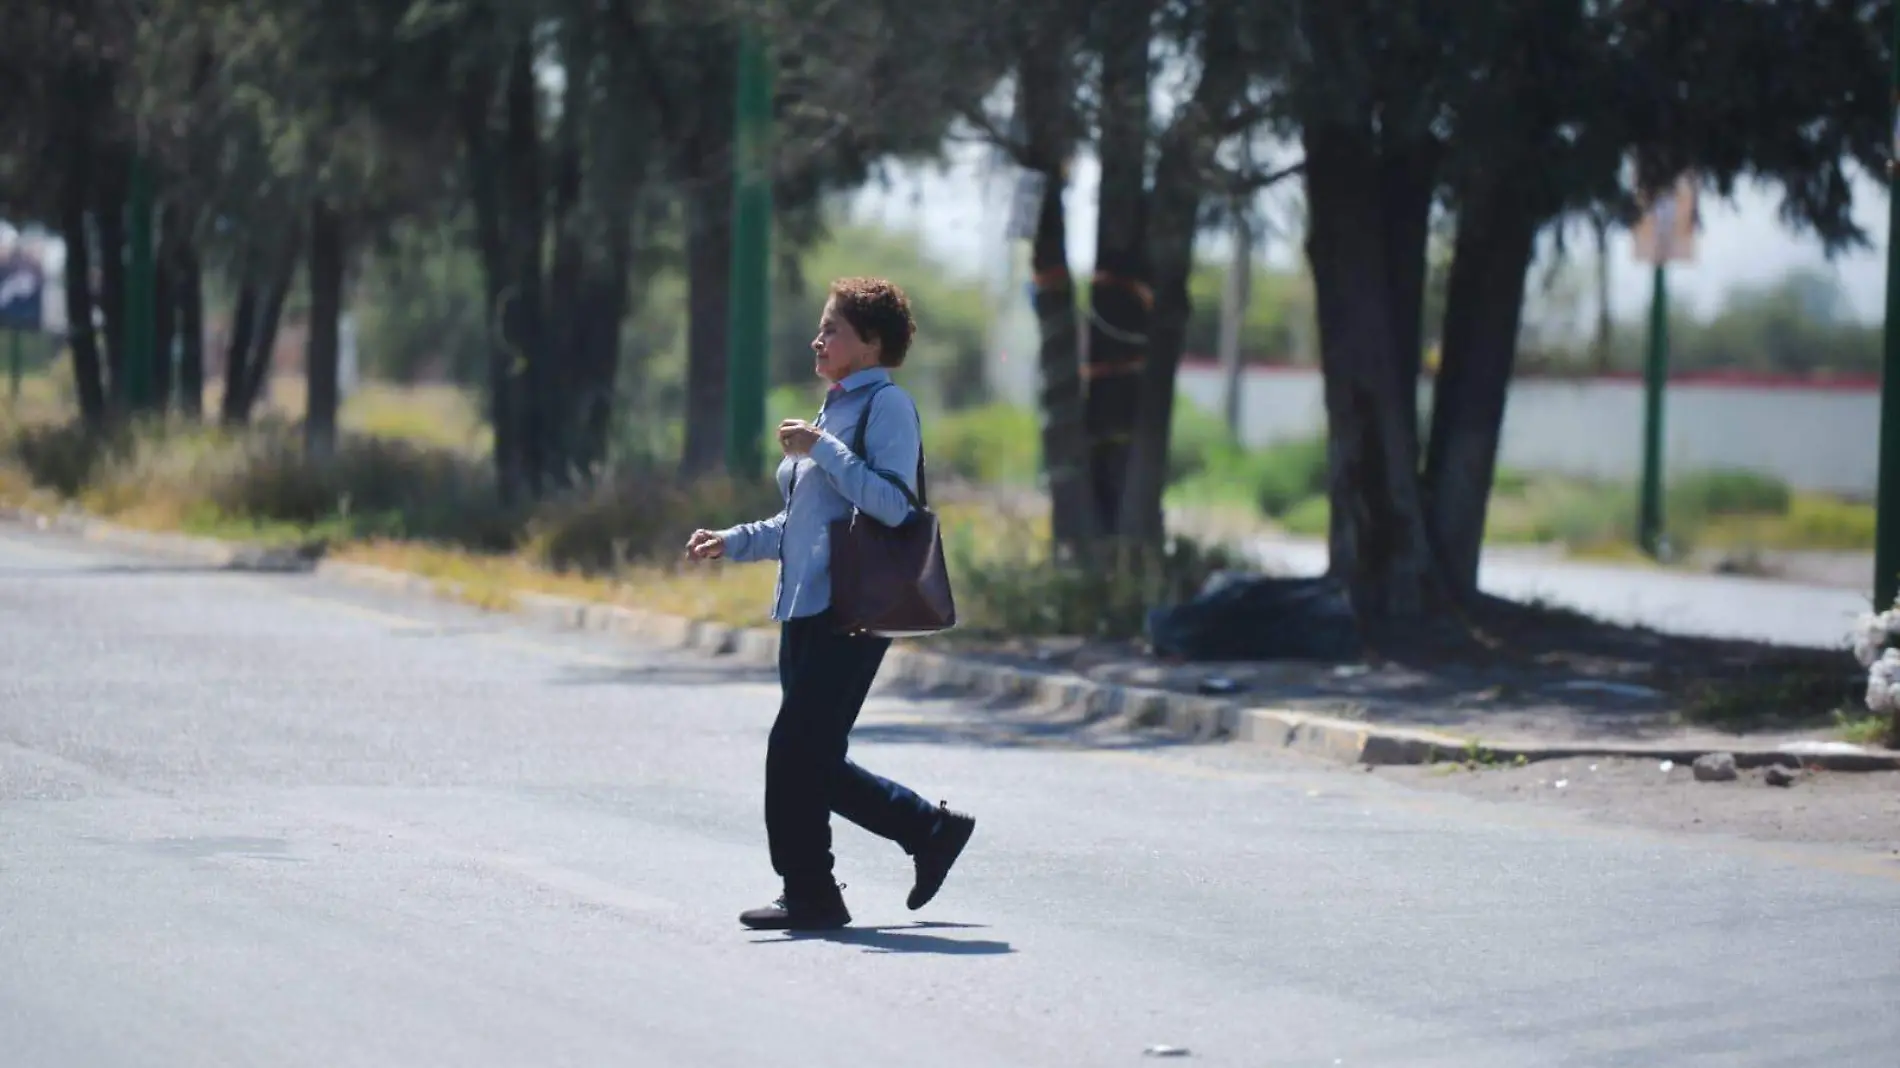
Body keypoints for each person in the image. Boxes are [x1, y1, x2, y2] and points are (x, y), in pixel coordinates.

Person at [686, 276, 975, 931]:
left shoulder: (886, 409)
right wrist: (731, 542)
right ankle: (926, 830)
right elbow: (803, 523)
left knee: (794, 752)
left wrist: (824, 450)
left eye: (833, 330)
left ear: (871, 343)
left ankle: (812, 888)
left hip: (855, 609)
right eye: (821, 328)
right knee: (812, 758)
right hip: (805, 606)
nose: (818, 340)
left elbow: (895, 506)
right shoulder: (832, 408)